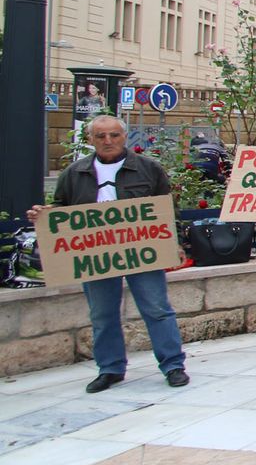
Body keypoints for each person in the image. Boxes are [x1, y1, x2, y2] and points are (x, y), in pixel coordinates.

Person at [28, 115, 189, 393]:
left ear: (124, 137)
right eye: (100, 136)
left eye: (114, 135)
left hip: (141, 251)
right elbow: (61, 209)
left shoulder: (148, 169)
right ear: (91, 139)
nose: (108, 141)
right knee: (102, 314)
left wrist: (174, 242)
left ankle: (173, 365)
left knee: (157, 309)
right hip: (96, 255)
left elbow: (167, 209)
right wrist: (44, 215)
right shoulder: (75, 173)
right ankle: (110, 368)